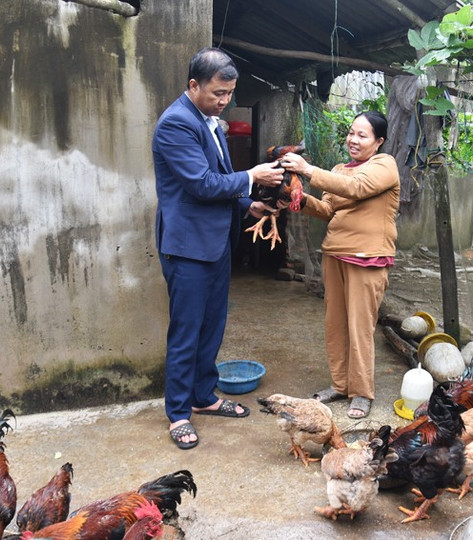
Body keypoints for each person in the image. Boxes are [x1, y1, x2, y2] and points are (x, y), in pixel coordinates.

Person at [152, 47, 284, 449]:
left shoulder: (208, 121)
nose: (225, 101)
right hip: (188, 247)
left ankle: (203, 396)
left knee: (211, 326)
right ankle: (178, 413)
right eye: (218, 93)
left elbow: (220, 181)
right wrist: (252, 177)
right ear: (194, 85)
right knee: (187, 331)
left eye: (229, 93)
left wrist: (248, 205)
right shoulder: (176, 123)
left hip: (214, 243)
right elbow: (201, 184)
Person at [280, 111, 400, 419]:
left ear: (378, 141)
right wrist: (298, 199)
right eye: (351, 133)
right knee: (335, 324)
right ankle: (340, 384)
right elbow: (327, 210)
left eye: (362, 135)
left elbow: (357, 188)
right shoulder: (337, 170)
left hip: (367, 257)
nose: (353, 140)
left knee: (360, 327)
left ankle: (361, 392)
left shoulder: (384, 165)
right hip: (334, 254)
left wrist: (307, 170)